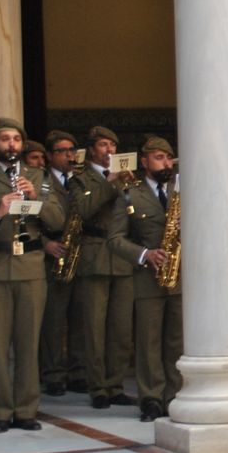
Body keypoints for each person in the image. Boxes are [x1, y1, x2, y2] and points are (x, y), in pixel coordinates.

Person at [0, 118, 64, 433]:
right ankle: (1, 412)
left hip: (30, 265)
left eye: (16, 139)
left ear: (22, 143)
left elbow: (58, 220)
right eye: (5, 139)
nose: (11, 145)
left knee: (28, 342)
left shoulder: (40, 177)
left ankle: (27, 409)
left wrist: (35, 199)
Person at [110, 136, 182, 421]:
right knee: (149, 341)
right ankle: (151, 398)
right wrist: (144, 254)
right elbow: (115, 239)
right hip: (147, 278)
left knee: (177, 341)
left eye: (168, 158)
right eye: (158, 158)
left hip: (180, 277)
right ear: (144, 161)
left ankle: (174, 396)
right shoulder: (129, 193)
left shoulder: (181, 189)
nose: (165, 163)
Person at [70, 126, 135, 409]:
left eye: (113, 145)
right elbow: (83, 210)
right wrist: (109, 183)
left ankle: (116, 384)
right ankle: (98, 387)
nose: (109, 150)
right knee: (94, 327)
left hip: (122, 256)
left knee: (120, 328)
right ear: (91, 150)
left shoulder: (128, 176)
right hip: (94, 255)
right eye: (103, 145)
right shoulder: (80, 178)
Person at [37, 131, 80, 395]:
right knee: (53, 319)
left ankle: (78, 371)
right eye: (62, 151)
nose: (68, 155)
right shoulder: (42, 180)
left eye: (72, 150)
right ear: (50, 156)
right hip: (52, 252)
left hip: (79, 252)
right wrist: (45, 243)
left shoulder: (80, 178)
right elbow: (29, 220)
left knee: (80, 318)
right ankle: (53, 372)